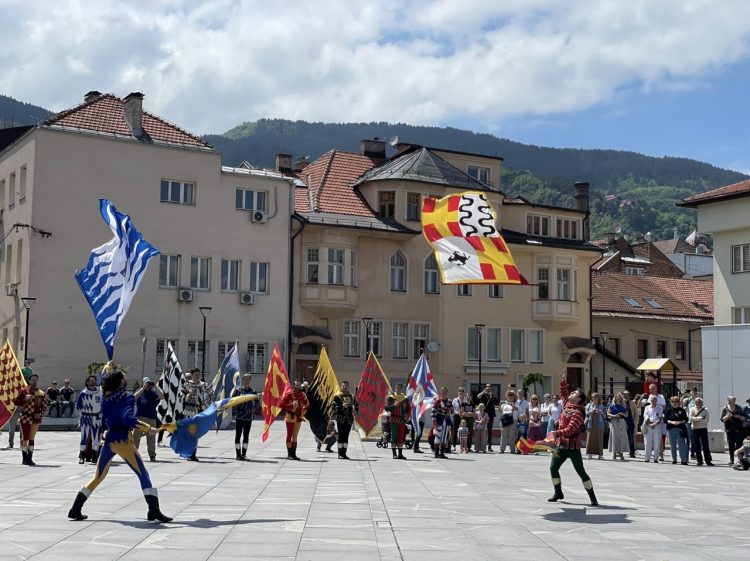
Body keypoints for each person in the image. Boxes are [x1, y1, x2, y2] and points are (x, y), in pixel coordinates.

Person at [67, 366, 172, 522]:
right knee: (143, 474)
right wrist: (149, 429)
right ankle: (153, 510)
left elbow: (103, 420)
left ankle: (75, 508)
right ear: (121, 381)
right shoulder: (127, 397)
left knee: (98, 477)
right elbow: (128, 419)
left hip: (108, 440)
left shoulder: (105, 398)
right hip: (123, 440)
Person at [547, 376, 598, 506]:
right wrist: (563, 381)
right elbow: (563, 392)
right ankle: (558, 492)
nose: (571, 393)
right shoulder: (567, 405)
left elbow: (570, 430)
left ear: (579, 399)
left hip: (572, 447)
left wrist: (556, 433)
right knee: (553, 468)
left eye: (574, 393)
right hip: (560, 446)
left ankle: (592, 497)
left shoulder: (578, 414)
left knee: (581, 472)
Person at [12, 373, 48, 466]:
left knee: (32, 439)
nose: (34, 381)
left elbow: (44, 407)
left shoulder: (41, 393)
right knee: (25, 438)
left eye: (36, 379)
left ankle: (30, 458)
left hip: (36, 419)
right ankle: (24, 459)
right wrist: (24, 399)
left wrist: (40, 415)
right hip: (25, 418)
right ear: (29, 380)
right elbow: (15, 401)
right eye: (32, 379)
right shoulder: (24, 391)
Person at [180, 368, 212, 461]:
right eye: (195, 374)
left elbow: (209, 397)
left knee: (195, 433)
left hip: (200, 412)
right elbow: (180, 398)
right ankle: (189, 453)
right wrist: (188, 395)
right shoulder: (186, 385)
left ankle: (193, 453)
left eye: (199, 374)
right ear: (192, 375)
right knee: (190, 433)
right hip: (189, 412)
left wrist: (207, 398)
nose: (197, 376)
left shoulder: (204, 385)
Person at [132, 377, 163, 462]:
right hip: (140, 417)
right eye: (146, 383)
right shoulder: (139, 390)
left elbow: (161, 396)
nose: (148, 385)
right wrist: (143, 388)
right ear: (143, 383)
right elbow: (134, 398)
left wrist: (156, 386)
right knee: (136, 436)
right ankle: (134, 454)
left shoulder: (153, 392)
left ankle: (152, 455)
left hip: (151, 417)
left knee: (151, 437)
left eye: (149, 383)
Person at [75, 375, 103, 464]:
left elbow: (103, 405)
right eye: (91, 380)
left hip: (96, 418)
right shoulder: (83, 393)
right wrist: (83, 415)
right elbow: (78, 406)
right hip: (85, 418)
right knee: (84, 437)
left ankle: (94, 456)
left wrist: (100, 415)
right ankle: (82, 456)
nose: (93, 382)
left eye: (94, 380)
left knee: (95, 438)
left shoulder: (99, 393)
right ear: (87, 382)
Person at [279, 380, 309, 460]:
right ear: (294, 385)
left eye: (299, 385)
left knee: (295, 436)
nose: (298, 386)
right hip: (290, 416)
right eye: (297, 385)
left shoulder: (303, 395)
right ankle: (289, 454)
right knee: (289, 435)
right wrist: (291, 406)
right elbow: (281, 404)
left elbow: (307, 404)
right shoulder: (289, 394)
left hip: (299, 417)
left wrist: (304, 410)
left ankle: (293, 454)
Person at [6, 365, 34, 449]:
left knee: (22, 428)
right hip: (14, 409)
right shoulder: (13, 387)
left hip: (23, 410)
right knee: (12, 428)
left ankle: (22, 443)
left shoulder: (27, 389)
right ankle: (11, 443)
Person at [231, 373, 257, 461]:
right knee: (238, 435)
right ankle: (238, 454)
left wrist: (254, 408)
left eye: (248, 379)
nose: (247, 381)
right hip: (239, 416)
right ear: (242, 380)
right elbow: (232, 401)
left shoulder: (253, 391)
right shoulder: (238, 390)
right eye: (245, 379)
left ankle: (244, 453)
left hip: (248, 417)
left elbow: (256, 402)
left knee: (246, 435)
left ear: (250, 381)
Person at [332, 380, 357, 459]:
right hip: (341, 419)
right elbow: (333, 407)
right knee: (341, 436)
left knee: (346, 436)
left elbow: (357, 406)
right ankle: (340, 453)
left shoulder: (352, 397)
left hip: (349, 420)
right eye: (343, 385)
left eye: (346, 386)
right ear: (341, 386)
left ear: (348, 386)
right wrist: (342, 406)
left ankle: (344, 453)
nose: (344, 387)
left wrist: (354, 410)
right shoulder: (337, 397)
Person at [384, 383, 410, 460]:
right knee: (393, 436)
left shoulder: (404, 398)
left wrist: (407, 414)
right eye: (397, 388)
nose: (398, 389)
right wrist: (394, 405)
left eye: (400, 388)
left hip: (402, 420)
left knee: (400, 437)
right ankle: (394, 454)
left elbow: (408, 408)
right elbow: (387, 408)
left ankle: (400, 454)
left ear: (402, 389)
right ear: (395, 388)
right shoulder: (391, 398)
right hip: (394, 419)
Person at [720, 395, 746, 465]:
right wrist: (727, 416)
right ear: (728, 400)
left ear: (735, 401)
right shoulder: (725, 408)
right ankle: (732, 459)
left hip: (738, 430)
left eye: (733, 400)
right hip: (729, 430)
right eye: (730, 400)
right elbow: (722, 419)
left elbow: (743, 418)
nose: (731, 402)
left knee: (739, 445)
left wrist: (738, 416)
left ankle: (739, 459)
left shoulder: (739, 408)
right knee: (731, 445)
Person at [665, 396, 689, 465]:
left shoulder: (682, 410)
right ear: (670, 403)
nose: (674, 403)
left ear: (678, 402)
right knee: (672, 445)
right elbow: (665, 420)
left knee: (682, 445)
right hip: (671, 429)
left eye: (676, 401)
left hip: (680, 429)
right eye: (673, 402)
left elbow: (686, 419)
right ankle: (674, 459)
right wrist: (672, 422)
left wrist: (681, 422)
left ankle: (683, 460)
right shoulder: (668, 410)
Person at [689, 397, 713, 466]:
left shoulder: (705, 410)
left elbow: (706, 420)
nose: (697, 403)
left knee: (705, 445)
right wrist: (700, 418)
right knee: (697, 445)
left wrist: (696, 419)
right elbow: (691, 418)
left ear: (701, 403)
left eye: (699, 402)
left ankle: (708, 460)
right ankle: (699, 460)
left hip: (703, 428)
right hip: (695, 429)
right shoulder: (692, 409)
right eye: (696, 402)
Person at [477, 384, 499, 451]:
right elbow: (478, 396)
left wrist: (492, 396)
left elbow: (497, 403)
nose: (488, 389)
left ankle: (489, 446)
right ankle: (480, 446)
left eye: (490, 388)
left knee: (489, 431)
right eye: (487, 388)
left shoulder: (493, 396)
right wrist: (484, 391)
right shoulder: (483, 395)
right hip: (483, 414)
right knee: (481, 430)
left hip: (491, 415)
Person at [607, 392, 628, 461]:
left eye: (619, 396)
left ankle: (621, 453)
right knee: (614, 437)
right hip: (614, 421)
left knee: (621, 438)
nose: (617, 397)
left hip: (622, 421)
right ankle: (614, 454)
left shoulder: (624, 405)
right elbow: (608, 414)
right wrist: (614, 416)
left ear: (621, 397)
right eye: (616, 396)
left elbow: (626, 415)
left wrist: (622, 413)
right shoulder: (612, 405)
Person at [643, 394, 664, 463]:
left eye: (654, 399)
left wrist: (654, 424)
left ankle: (655, 458)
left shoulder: (660, 408)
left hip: (657, 425)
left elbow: (660, 418)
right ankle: (647, 458)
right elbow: (645, 417)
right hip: (648, 425)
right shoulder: (647, 408)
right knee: (648, 442)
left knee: (657, 441)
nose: (653, 400)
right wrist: (649, 424)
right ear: (650, 400)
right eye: (652, 399)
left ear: (656, 400)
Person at [585, 393, 605, 460]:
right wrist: (591, 411)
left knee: (599, 439)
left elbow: (605, 416)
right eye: (593, 397)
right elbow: (586, 414)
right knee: (590, 439)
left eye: (596, 397)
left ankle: (600, 455)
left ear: (598, 398)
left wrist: (601, 412)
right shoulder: (589, 405)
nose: (595, 398)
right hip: (590, 424)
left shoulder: (602, 406)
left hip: (599, 424)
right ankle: (589, 453)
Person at [499, 389, 519, 453]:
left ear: (514, 396)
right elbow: (500, 411)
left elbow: (518, 409)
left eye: (512, 395)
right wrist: (500, 405)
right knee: (503, 435)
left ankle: (512, 449)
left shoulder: (517, 403)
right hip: (505, 420)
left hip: (513, 420)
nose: (510, 396)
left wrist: (513, 406)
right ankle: (502, 449)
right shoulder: (504, 403)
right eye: (509, 395)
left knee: (512, 436)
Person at [431, 393, 450, 458]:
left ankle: (442, 453)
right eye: (443, 393)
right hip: (439, 420)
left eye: (445, 392)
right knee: (438, 437)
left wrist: (448, 410)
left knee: (444, 438)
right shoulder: (437, 401)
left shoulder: (448, 402)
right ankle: (436, 453)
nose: (444, 395)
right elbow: (433, 410)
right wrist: (434, 419)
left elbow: (452, 410)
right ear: (441, 394)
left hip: (446, 421)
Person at [682, 387, 699, 458]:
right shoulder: (687, 400)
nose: (694, 393)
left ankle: (692, 453)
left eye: (695, 391)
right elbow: (682, 404)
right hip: (688, 421)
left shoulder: (698, 400)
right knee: (688, 437)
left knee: (694, 438)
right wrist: (684, 395)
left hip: (695, 421)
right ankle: (686, 452)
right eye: (692, 391)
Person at [623, 390, 637, 458]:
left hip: (630, 423)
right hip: (622, 423)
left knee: (631, 438)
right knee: (621, 438)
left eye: (627, 395)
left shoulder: (632, 403)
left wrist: (635, 422)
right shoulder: (621, 403)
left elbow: (636, 414)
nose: (626, 397)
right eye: (624, 395)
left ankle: (632, 452)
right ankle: (620, 452)